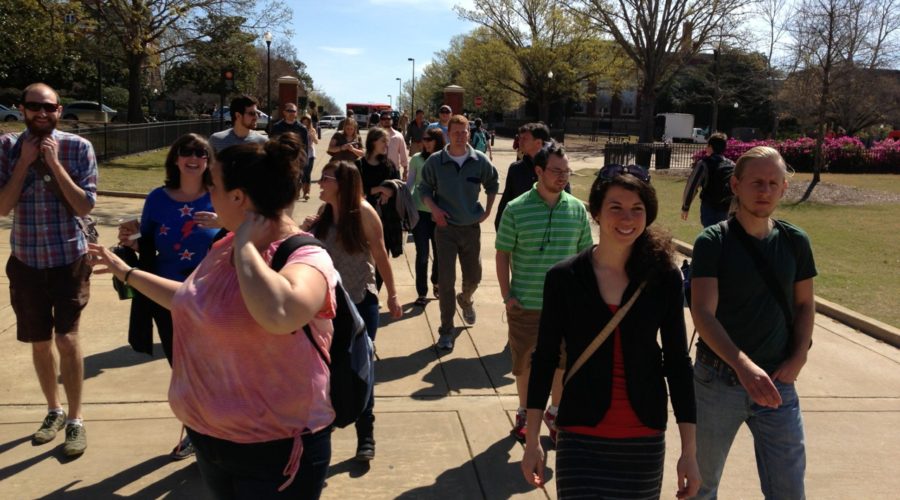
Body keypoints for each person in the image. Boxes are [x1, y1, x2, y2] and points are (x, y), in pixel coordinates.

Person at [89, 133, 338, 498]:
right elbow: (192, 299)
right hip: (211, 442)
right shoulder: (223, 246)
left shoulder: (307, 259)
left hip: (276, 451)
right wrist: (125, 271)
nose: (209, 195)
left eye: (214, 186)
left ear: (238, 198)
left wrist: (245, 245)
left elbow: (279, 314)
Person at [521, 164, 699, 499]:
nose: (626, 219)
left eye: (637, 210)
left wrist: (689, 452)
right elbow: (544, 360)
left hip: (642, 437)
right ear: (597, 213)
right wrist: (532, 443)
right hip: (579, 434)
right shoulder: (564, 278)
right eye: (615, 208)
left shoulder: (663, 278)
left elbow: (677, 363)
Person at [689, 146, 817, 499]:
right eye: (756, 182)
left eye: (773, 183)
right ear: (735, 185)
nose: (764, 191)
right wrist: (742, 365)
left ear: (784, 188)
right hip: (718, 381)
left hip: (778, 382)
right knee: (703, 486)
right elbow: (702, 312)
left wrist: (799, 357)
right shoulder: (713, 241)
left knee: (789, 489)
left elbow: (805, 304)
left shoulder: (795, 241)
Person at [0, 83, 97, 457]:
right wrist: (25, 161)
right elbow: (3, 207)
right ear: (21, 109)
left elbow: (85, 206)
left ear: (59, 110)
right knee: (40, 342)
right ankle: (53, 411)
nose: (41, 113)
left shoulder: (78, 148)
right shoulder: (6, 148)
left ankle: (75, 419)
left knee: (67, 339)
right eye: (33, 107)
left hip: (68, 259)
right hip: (25, 259)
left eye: (49, 107)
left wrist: (53, 163)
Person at [116, 133, 221, 461]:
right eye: (186, 152)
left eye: (201, 153)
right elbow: (145, 242)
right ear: (175, 159)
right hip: (167, 296)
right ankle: (196, 434)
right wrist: (129, 240)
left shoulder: (220, 196)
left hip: (213, 295)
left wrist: (222, 221)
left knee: (217, 369)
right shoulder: (158, 198)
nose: (194, 158)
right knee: (182, 369)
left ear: (208, 161)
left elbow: (246, 233)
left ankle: (221, 434)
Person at [302, 160, 402, 462]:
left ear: (342, 183)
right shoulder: (323, 215)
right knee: (326, 372)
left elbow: (380, 255)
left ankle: (365, 434)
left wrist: (393, 295)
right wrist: (306, 231)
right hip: (325, 309)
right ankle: (325, 427)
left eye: (326, 178)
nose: (320, 183)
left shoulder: (364, 213)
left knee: (360, 370)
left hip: (360, 302)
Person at [495, 143, 592, 444]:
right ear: (538, 171)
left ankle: (554, 412)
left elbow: (586, 255)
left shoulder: (577, 209)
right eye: (556, 171)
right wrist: (507, 295)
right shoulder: (516, 208)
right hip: (526, 304)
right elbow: (502, 254)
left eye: (566, 171)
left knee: (562, 363)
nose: (563, 176)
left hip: (566, 308)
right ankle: (525, 411)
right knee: (524, 363)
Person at [419, 114, 499, 350]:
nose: (460, 136)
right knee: (446, 281)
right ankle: (446, 330)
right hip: (445, 230)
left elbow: (493, 184)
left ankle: (465, 299)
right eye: (456, 132)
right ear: (448, 134)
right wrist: (434, 209)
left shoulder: (479, 160)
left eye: (464, 132)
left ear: (469, 133)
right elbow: (424, 188)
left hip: (471, 228)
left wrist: (488, 211)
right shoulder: (436, 161)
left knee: (473, 276)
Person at [495, 123, 559, 231]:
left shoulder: (556, 169)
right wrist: (500, 227)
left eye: (525, 138)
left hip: (548, 234)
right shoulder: (516, 169)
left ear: (538, 143)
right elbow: (506, 201)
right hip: (521, 232)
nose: (520, 141)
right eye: (520, 138)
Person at [406, 127, 445, 306]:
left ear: (437, 141)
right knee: (422, 254)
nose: (426, 142)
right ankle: (422, 292)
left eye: (429, 139)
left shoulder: (444, 159)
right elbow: (410, 184)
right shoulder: (416, 159)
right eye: (424, 139)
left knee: (439, 253)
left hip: (439, 213)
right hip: (420, 213)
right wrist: (405, 205)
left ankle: (436, 281)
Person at [681, 132, 735, 227]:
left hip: (710, 208)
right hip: (727, 209)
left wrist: (686, 207)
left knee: (711, 235)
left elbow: (692, 186)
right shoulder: (732, 165)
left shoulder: (703, 164)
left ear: (710, 146)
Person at [270, 102, 310, 167]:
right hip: (279, 163)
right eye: (289, 111)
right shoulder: (276, 127)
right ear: (284, 112)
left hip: (296, 164)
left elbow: (305, 149)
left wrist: (304, 164)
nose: (291, 113)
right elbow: (271, 146)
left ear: (296, 113)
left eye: (293, 111)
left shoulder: (302, 129)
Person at [379, 110, 409, 180]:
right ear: (380, 121)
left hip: (394, 172)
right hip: (378, 171)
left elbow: (403, 153)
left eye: (389, 119)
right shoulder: (375, 136)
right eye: (384, 119)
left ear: (391, 120)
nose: (386, 120)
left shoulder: (398, 136)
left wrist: (405, 170)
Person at [299, 114, 319, 201]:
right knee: (303, 173)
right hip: (302, 153)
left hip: (310, 153)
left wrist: (312, 135)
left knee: (308, 173)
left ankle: (307, 192)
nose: (305, 124)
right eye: (303, 122)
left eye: (307, 122)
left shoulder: (312, 130)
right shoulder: (299, 130)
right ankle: (304, 191)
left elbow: (316, 142)